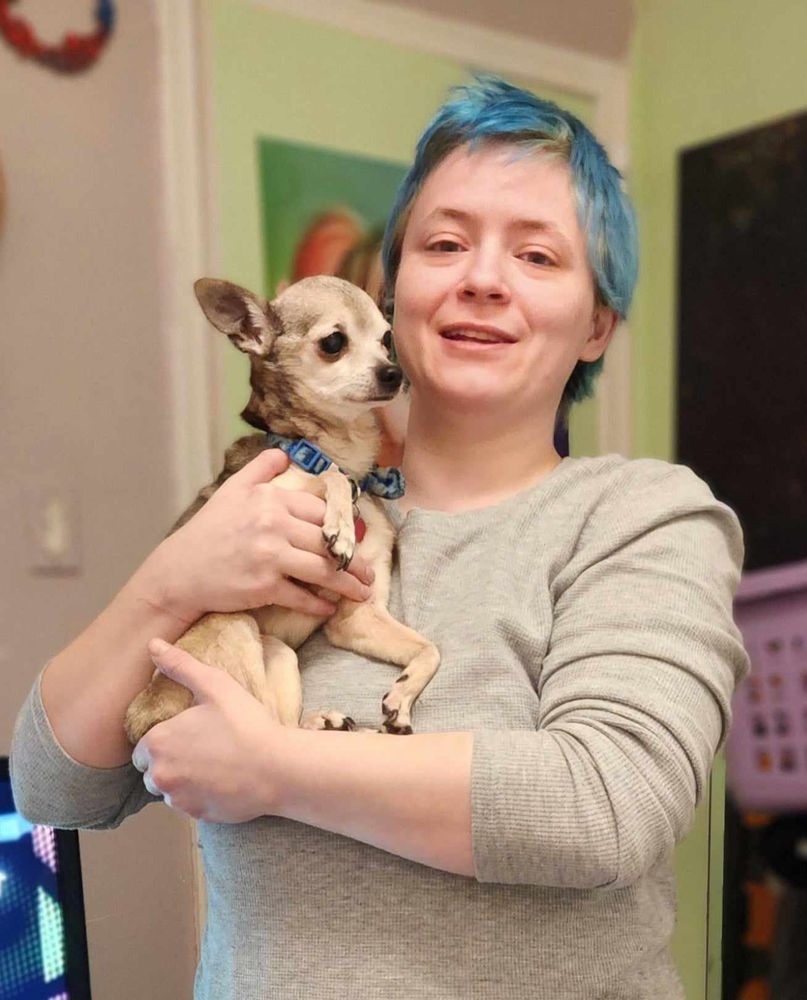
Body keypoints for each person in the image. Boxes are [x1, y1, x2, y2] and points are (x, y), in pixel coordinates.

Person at [10, 76, 749, 999]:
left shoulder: (643, 517)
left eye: (536, 255)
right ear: (391, 297)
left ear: (595, 325)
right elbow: (56, 792)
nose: (482, 278)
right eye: (445, 243)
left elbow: (604, 809)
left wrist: (275, 767)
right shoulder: (266, 514)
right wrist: (168, 584)